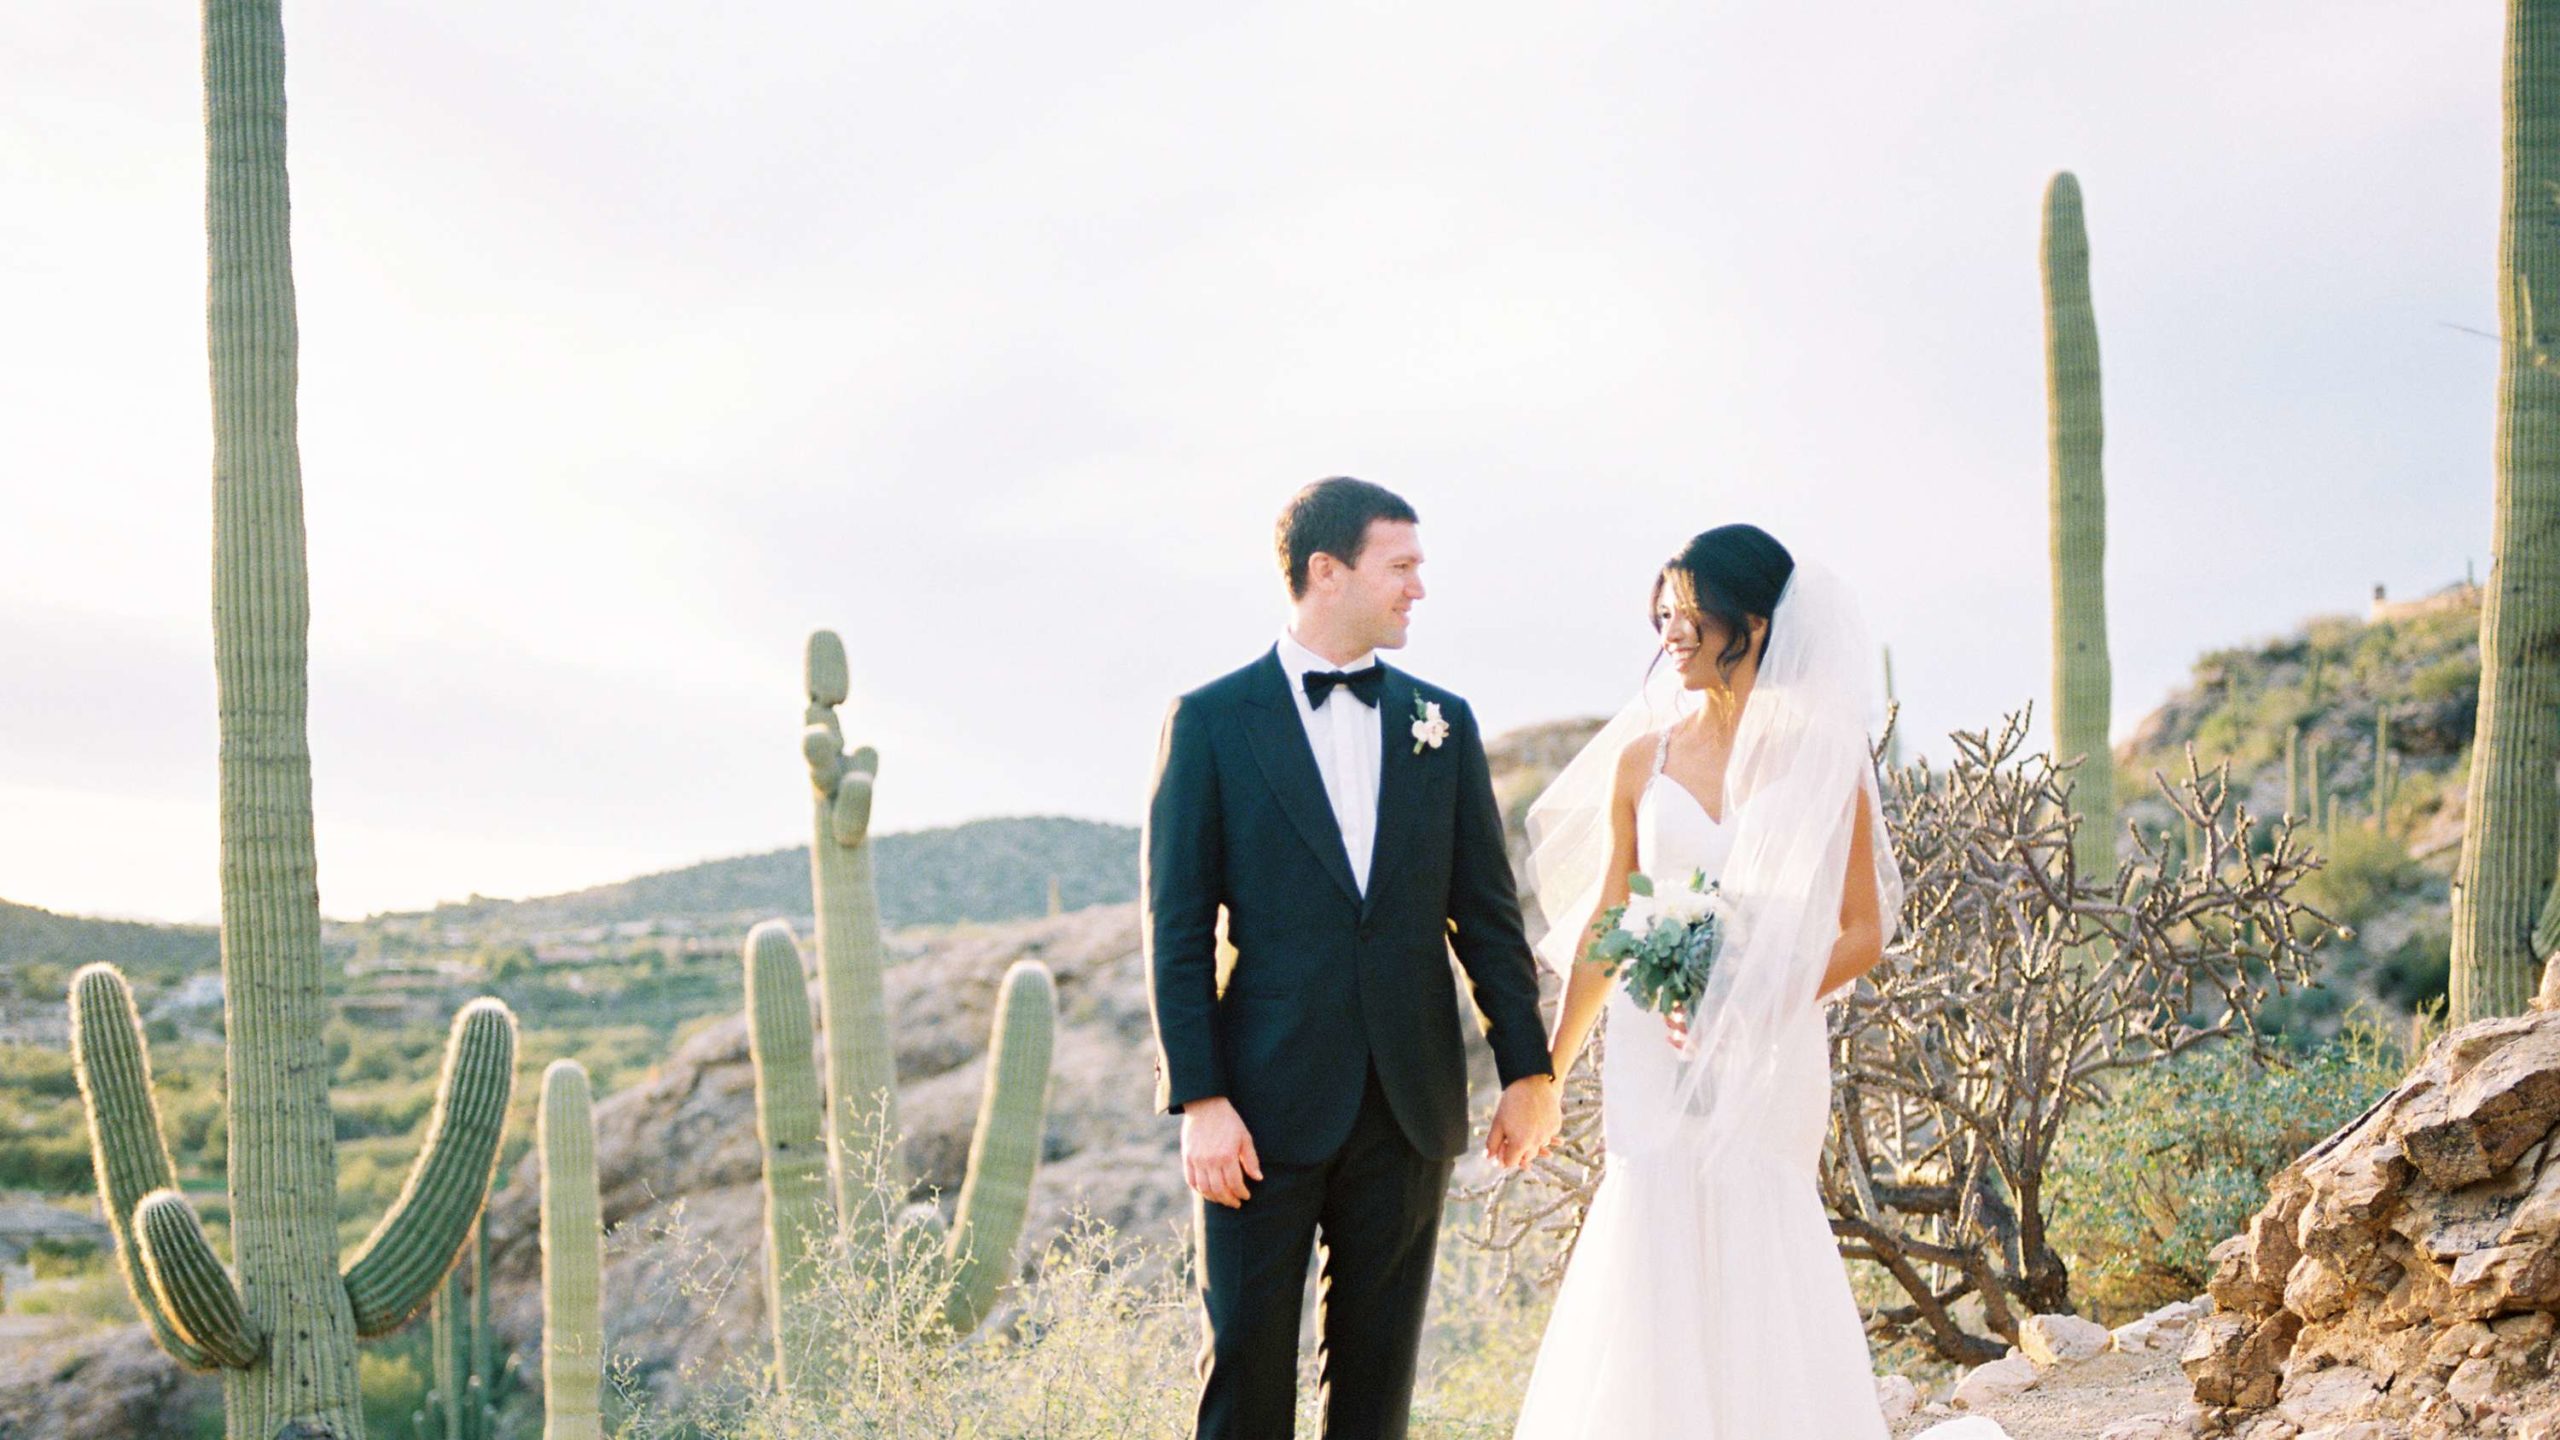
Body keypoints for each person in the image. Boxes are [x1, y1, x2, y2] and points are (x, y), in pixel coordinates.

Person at [1143, 476, 1562, 1440]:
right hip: (1256, 1111)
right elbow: (1174, 931)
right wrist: (1200, 1099)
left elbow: (1486, 919)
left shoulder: (1443, 724)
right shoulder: (1209, 722)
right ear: (1326, 572)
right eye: (1401, 566)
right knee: (1245, 1382)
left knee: (1377, 1395)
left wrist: (1527, 1072)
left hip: (1408, 1107)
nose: (1419, 587)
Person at [1512, 523, 1905, 1439]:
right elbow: (1610, 927)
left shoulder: (1824, 756)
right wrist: (1551, 1073)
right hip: (1653, 1046)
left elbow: (1863, 930)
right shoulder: (1640, 760)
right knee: (1651, 1212)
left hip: (1772, 1039)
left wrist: (1757, 997)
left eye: (1689, 618)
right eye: (1663, 619)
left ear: (1754, 625)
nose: (1670, 638)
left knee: (1758, 1218)